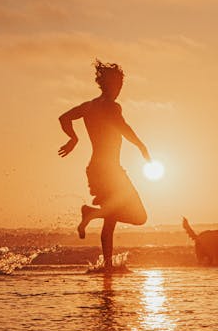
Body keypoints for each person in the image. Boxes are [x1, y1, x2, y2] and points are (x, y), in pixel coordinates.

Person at [58, 60, 151, 270]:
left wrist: (74, 139)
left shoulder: (88, 106)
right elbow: (123, 127)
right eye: (117, 85)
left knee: (110, 219)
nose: (118, 91)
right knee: (139, 216)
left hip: (95, 169)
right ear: (108, 84)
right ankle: (90, 213)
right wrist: (142, 146)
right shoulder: (112, 106)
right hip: (111, 171)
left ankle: (108, 265)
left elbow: (64, 118)